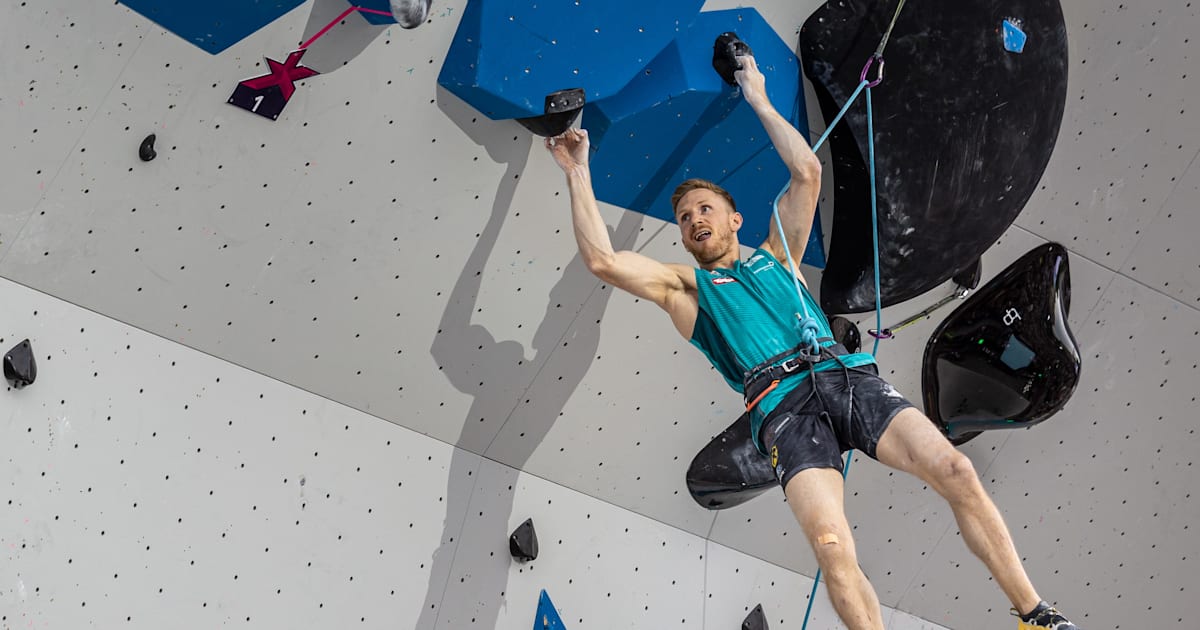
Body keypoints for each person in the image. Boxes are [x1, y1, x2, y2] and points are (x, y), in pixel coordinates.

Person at [545, 54, 1082, 630]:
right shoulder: (688, 290)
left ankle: (1037, 615)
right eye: (683, 217)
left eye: (706, 209)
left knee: (955, 471)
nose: (694, 219)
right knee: (831, 545)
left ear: (734, 220)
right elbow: (603, 260)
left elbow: (807, 173)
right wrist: (577, 168)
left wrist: (755, 93)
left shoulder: (779, 257)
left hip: (848, 379)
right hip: (783, 411)